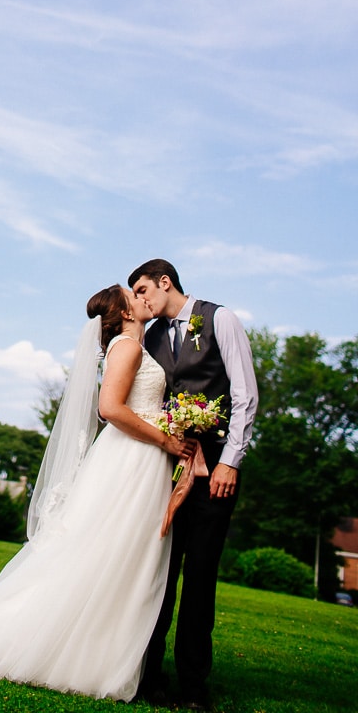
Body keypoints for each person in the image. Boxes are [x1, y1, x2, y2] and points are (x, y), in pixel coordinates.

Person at [0, 285, 192, 702]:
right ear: (125, 312)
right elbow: (110, 408)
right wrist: (165, 440)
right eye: (135, 295)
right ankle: (58, 648)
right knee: (108, 553)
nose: (142, 298)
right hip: (132, 458)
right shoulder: (127, 348)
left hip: (139, 460)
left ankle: (98, 654)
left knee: (119, 557)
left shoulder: (131, 345)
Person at [128, 259, 259, 710]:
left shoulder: (220, 319)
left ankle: (193, 686)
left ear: (166, 282)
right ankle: (149, 675)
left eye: (144, 290)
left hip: (215, 475)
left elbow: (245, 396)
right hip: (165, 471)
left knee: (200, 577)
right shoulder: (153, 336)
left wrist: (230, 462)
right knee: (158, 574)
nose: (142, 301)